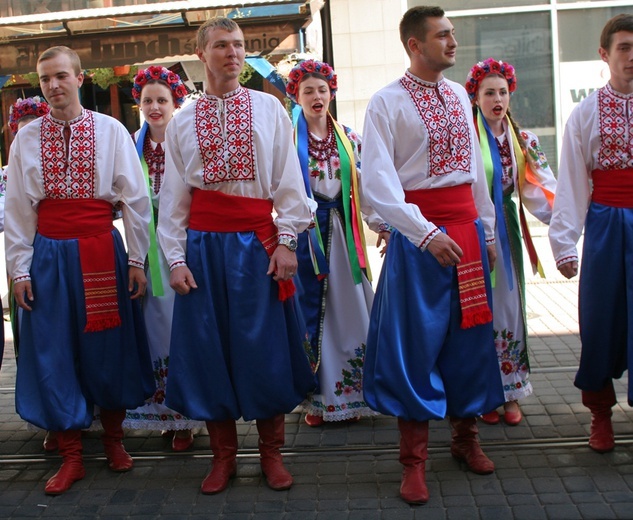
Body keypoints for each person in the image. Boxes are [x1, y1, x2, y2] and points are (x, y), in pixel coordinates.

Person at [156, 17, 315, 494]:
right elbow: (173, 199)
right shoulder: (182, 121)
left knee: (262, 349)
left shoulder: (269, 108)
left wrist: (288, 242)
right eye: (222, 45)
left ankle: (271, 455)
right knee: (210, 351)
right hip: (204, 250)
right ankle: (223, 456)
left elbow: (290, 181)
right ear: (201, 54)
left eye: (240, 45)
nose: (233, 53)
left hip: (257, 247)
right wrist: (176, 259)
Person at [360, 6, 505, 504]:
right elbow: (377, 185)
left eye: (452, 34)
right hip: (421, 240)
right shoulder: (386, 103)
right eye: (442, 35)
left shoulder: (458, 98)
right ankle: (413, 461)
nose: (453, 42)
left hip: (464, 233)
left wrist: (486, 233)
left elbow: (475, 176)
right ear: (414, 45)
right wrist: (423, 234)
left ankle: (466, 439)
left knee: (469, 341)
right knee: (414, 348)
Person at [4, 46, 154, 495]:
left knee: (106, 345)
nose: (52, 85)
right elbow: (18, 212)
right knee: (53, 347)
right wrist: (20, 269)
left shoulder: (110, 131)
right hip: (48, 254)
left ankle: (113, 440)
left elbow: (135, 200)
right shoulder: (26, 139)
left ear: (79, 77)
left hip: (99, 252)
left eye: (60, 76)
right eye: (45, 78)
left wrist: (135, 259)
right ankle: (71, 454)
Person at [285, 59, 390, 426]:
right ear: (296, 96)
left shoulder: (349, 138)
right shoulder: (288, 140)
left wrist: (382, 225)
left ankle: (355, 392)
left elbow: (366, 188)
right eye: (308, 90)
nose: (317, 96)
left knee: (351, 311)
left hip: (345, 236)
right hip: (307, 237)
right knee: (314, 316)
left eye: (322, 90)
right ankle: (318, 398)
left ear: (332, 93)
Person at [549, 13, 633, 454]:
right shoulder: (586, 112)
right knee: (601, 320)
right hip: (606, 225)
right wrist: (565, 242)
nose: (632, 57)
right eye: (624, 48)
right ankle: (601, 416)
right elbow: (573, 181)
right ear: (605, 55)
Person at [465, 58, 557, 426]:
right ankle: (485, 391)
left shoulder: (522, 140)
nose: (497, 99)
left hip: (507, 228)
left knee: (509, 306)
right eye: (489, 92)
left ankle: (511, 390)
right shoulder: (467, 137)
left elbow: (541, 188)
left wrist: (567, 222)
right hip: (473, 232)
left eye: (502, 91)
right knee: (477, 308)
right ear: (476, 97)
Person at [124, 65, 204, 451]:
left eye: (162, 100)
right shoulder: (130, 145)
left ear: (176, 103)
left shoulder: (186, 139)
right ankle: (163, 412)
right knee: (152, 326)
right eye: (147, 101)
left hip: (182, 246)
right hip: (144, 247)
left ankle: (188, 414)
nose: (154, 107)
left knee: (182, 327)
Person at [4, 96, 56, 451]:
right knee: (36, 342)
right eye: (22, 130)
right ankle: (53, 419)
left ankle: (86, 416)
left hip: (60, 253)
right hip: (25, 261)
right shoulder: (10, 172)